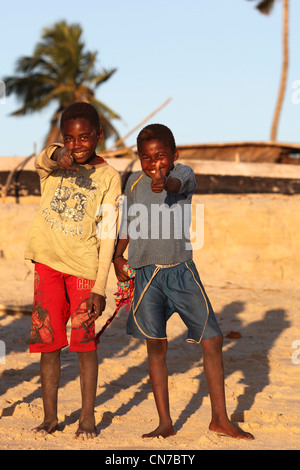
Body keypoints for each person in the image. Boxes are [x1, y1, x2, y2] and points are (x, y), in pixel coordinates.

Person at [113, 123, 254, 440]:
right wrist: (117, 258)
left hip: (181, 271)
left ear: (173, 155)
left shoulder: (184, 173)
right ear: (139, 159)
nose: (154, 164)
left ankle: (220, 418)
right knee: (156, 346)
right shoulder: (134, 184)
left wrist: (167, 181)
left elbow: (177, 185)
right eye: (146, 158)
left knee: (212, 340)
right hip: (146, 274)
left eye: (160, 157)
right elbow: (127, 226)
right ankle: (165, 422)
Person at [25, 102, 121, 440]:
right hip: (47, 265)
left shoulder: (109, 177)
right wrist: (55, 153)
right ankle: (50, 418)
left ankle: (87, 419)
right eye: (69, 138)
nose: (76, 145)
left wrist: (100, 286)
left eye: (84, 138)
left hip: (84, 268)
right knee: (49, 344)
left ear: (98, 136)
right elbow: (43, 158)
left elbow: (108, 233)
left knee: (85, 344)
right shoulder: (54, 167)